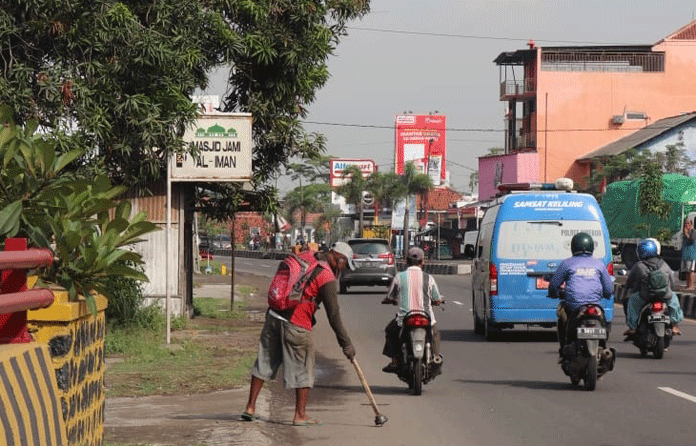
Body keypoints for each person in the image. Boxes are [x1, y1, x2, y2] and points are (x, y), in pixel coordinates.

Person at [242, 242, 357, 426]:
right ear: (339, 259)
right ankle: (300, 415)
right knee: (304, 367)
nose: (343, 269)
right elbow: (333, 315)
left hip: (273, 315)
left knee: (264, 361)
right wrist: (347, 345)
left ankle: (250, 407)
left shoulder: (306, 257)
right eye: (345, 265)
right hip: (296, 323)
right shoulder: (326, 276)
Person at [548, 232, 614, 359]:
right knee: (604, 321)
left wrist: (553, 294)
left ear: (573, 247)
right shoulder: (599, 264)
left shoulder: (567, 263)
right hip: (595, 306)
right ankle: (604, 345)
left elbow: (553, 285)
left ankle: (563, 348)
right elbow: (609, 289)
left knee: (562, 317)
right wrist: (605, 294)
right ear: (591, 247)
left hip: (574, 306)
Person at [381, 247, 444, 373]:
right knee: (435, 333)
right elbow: (436, 298)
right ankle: (435, 357)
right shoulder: (428, 278)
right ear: (422, 261)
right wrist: (438, 301)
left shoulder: (400, 277)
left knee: (390, 331)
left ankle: (395, 361)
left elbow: (390, 296)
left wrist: (390, 300)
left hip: (405, 318)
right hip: (425, 317)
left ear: (406, 261)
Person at [623, 238, 683, 337]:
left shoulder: (638, 266)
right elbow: (672, 282)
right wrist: (671, 290)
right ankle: (675, 326)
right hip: (665, 295)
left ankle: (632, 328)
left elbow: (630, 282)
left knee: (632, 303)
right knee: (674, 302)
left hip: (645, 296)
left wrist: (627, 287)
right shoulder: (664, 264)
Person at [680, 219, 696, 290]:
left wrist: (687, 234)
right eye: (686, 224)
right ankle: (687, 285)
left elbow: (692, 240)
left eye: (688, 224)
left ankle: (691, 285)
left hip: (691, 254)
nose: (687, 225)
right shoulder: (684, 232)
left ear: (691, 225)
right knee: (686, 270)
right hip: (685, 254)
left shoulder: (693, 232)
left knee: (691, 270)